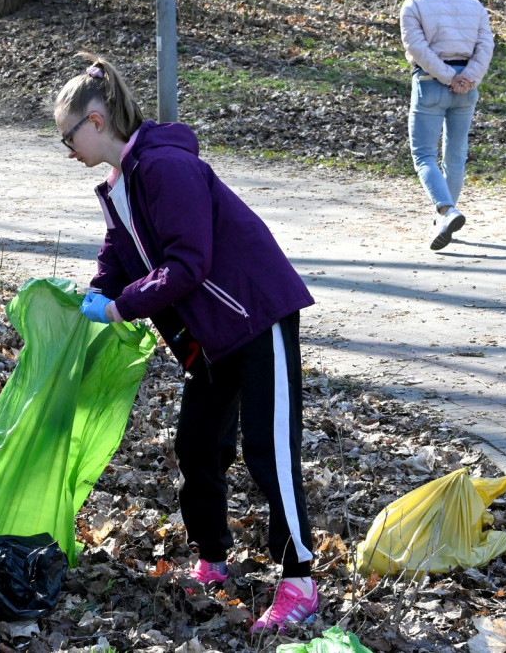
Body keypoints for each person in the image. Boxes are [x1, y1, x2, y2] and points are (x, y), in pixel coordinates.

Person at [54, 52, 319, 632]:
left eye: (67, 135)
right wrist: (92, 297)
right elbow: (118, 256)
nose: (66, 148)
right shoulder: (120, 182)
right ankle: (213, 560)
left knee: (268, 451)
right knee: (198, 445)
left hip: (256, 315)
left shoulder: (164, 167)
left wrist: (122, 307)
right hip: (209, 338)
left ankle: (299, 580)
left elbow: (188, 263)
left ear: (95, 121)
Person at [400, 0, 494, 251]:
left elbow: (416, 47)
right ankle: (445, 220)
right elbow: (485, 45)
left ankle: (446, 212)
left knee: (424, 154)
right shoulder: (473, 4)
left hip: (431, 84)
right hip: (466, 87)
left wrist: (445, 76)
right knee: (456, 156)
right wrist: (468, 78)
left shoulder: (413, 3)